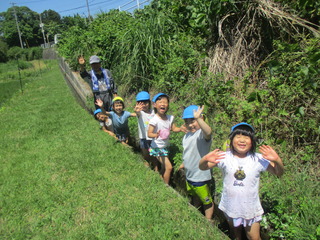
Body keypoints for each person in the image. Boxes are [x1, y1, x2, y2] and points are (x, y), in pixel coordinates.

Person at [199, 122, 284, 240]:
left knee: (254, 237)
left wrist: (277, 160)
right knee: (235, 234)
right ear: (231, 140)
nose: (242, 140)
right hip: (230, 206)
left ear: (252, 141)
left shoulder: (258, 159)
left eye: (246, 137)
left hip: (250, 208)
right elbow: (202, 167)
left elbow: (279, 173)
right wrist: (205, 159)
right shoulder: (224, 157)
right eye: (238, 136)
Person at [178, 105, 214, 221]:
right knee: (195, 195)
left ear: (201, 119)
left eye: (192, 121)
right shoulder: (187, 136)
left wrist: (199, 119)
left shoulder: (201, 135)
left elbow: (208, 132)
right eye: (187, 122)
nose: (190, 124)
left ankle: (208, 221)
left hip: (200, 176)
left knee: (207, 201)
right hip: (190, 175)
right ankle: (196, 213)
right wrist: (184, 163)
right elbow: (187, 152)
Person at [147, 93, 182, 184]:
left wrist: (181, 129)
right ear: (155, 105)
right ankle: (166, 187)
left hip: (165, 147)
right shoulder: (154, 120)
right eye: (160, 102)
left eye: (165, 102)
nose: (163, 104)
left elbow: (174, 129)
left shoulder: (170, 118)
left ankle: (160, 180)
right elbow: (149, 134)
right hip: (157, 147)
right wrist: (156, 135)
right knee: (169, 167)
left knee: (164, 167)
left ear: (168, 105)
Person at [134, 91, 159, 171]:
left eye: (145, 102)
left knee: (154, 156)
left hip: (153, 138)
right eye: (140, 103)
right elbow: (137, 112)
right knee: (146, 155)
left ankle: (156, 170)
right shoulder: (140, 113)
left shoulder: (154, 112)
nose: (144, 105)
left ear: (149, 102)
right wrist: (137, 110)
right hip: (144, 138)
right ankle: (148, 169)